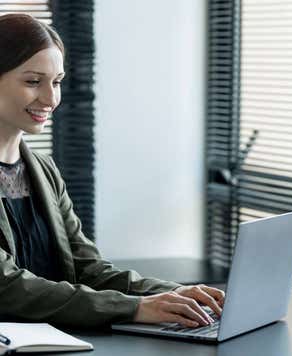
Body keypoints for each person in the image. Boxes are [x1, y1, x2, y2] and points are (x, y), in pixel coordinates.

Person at [0, 13, 224, 328]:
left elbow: (87, 269)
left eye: (57, 82)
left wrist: (174, 293)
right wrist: (134, 308)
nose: (51, 98)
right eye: (33, 81)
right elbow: (7, 287)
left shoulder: (44, 170)